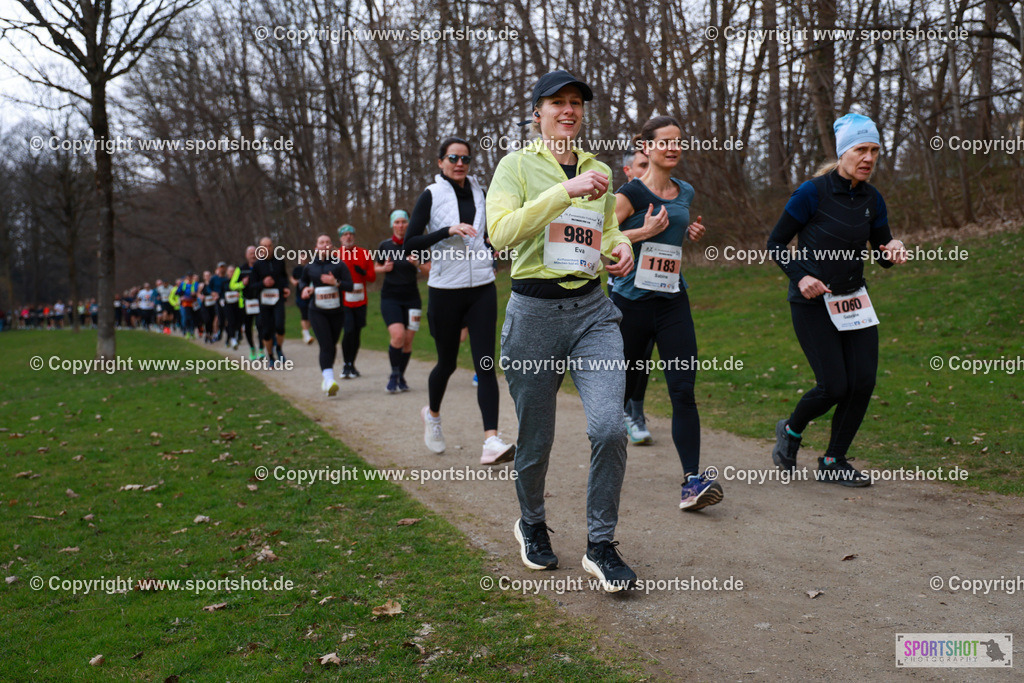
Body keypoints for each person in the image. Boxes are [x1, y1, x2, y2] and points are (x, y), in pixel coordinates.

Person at [487, 70, 637, 592]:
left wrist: (622, 249)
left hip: (593, 311)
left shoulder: (598, 168)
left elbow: (609, 230)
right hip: (534, 315)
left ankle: (600, 544)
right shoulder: (515, 165)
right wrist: (562, 191)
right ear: (538, 113)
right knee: (537, 439)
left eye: (576, 103)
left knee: (610, 428)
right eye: (557, 103)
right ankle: (530, 523)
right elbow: (500, 234)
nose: (568, 110)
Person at [767, 113, 908, 487]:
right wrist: (803, 277)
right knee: (834, 386)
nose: (869, 157)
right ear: (844, 151)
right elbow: (776, 243)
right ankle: (791, 431)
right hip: (812, 303)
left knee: (862, 382)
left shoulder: (872, 198)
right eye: (861, 149)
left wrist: (892, 248)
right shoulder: (812, 192)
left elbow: (881, 249)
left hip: (854, 301)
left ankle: (833, 460)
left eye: (875, 150)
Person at [612, 115, 723, 511]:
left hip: (672, 299)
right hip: (630, 306)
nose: (673, 148)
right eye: (665, 142)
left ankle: (692, 481)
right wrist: (643, 232)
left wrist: (687, 231)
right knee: (618, 396)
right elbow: (601, 237)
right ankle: (606, 475)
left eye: (679, 142)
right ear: (646, 147)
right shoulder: (630, 194)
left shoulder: (685, 190)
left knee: (683, 390)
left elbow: (675, 228)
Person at [404, 136, 515, 463]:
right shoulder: (431, 194)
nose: (459, 163)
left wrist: (492, 255)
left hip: (481, 287)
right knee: (448, 362)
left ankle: (491, 441)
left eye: (465, 158)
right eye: (452, 157)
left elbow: (488, 233)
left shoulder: (482, 192)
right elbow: (411, 244)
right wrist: (447, 230)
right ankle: (433, 415)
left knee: (485, 364)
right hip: (445, 290)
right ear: (441, 162)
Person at [375, 210, 428, 393]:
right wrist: (384, 268)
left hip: (412, 299)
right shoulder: (384, 245)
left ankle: (400, 376)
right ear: (392, 224)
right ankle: (394, 374)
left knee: (407, 341)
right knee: (397, 336)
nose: (400, 225)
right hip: (390, 297)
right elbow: (375, 267)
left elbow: (429, 270)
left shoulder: (416, 245)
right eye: (397, 222)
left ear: (408, 224)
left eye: (404, 222)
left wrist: (417, 264)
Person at [299, 233, 355, 395]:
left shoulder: (339, 265)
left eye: (328, 242)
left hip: (337, 312)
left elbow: (350, 286)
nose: (325, 245)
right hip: (317, 311)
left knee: (331, 344)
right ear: (316, 248)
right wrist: (304, 289)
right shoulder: (310, 266)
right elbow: (303, 281)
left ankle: (327, 377)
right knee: (326, 345)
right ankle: (330, 379)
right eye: (321, 242)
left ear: (332, 246)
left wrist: (335, 282)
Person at [336, 224, 376, 378]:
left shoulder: (364, 253)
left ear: (354, 237)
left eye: (351, 234)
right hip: (344, 301)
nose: (348, 237)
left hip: (360, 300)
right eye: (345, 234)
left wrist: (363, 272)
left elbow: (372, 278)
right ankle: (346, 364)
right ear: (340, 238)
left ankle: (352, 364)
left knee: (357, 332)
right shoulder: (336, 255)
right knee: (349, 330)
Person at [251, 236, 290, 365]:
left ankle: (279, 349)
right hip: (264, 302)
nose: (267, 248)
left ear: (273, 247)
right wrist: (263, 283)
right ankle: (271, 357)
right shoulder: (257, 265)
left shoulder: (280, 261)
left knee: (279, 326)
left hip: (277, 299)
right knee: (266, 331)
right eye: (264, 246)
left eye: (269, 246)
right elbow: (252, 286)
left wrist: (286, 288)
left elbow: (284, 277)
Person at [230, 246, 263, 359]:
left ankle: (262, 349)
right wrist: (242, 284)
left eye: (254, 253)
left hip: (259, 301)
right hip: (245, 303)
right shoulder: (240, 269)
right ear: (246, 255)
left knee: (260, 325)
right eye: (250, 253)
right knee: (248, 328)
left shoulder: (260, 266)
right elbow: (232, 285)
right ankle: (252, 349)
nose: (253, 255)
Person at [290, 253, 314, 345]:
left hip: (311, 295)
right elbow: (292, 278)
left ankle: (305, 331)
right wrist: (295, 282)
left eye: (304, 257)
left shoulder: (311, 267)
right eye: (301, 257)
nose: (303, 259)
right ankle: (306, 334)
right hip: (300, 296)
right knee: (304, 315)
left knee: (311, 315)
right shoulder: (297, 269)